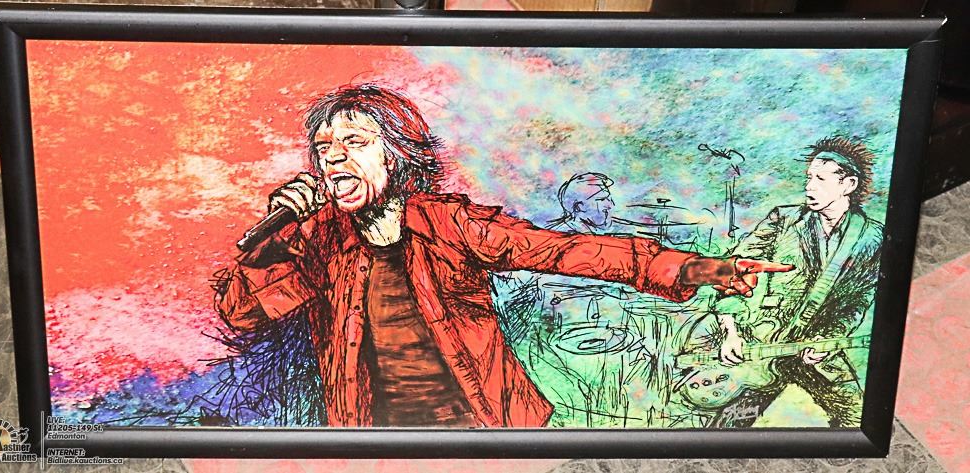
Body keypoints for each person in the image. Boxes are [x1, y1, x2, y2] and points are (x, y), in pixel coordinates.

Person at [214, 83, 792, 428]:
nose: (334, 159)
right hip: (374, 438)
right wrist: (272, 243)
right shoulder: (316, 240)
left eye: (355, 144)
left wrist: (690, 267)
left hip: (487, 426)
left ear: (397, 155)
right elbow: (243, 312)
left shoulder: (449, 223)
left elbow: (564, 251)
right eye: (324, 149)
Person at [706, 136, 883, 428]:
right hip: (765, 341)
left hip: (817, 347)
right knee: (729, 424)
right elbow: (732, 273)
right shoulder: (784, 220)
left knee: (857, 418)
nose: (810, 187)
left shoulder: (872, 238)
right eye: (809, 177)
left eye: (821, 179)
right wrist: (731, 331)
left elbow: (858, 299)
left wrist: (830, 338)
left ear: (848, 185)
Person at [546, 172, 616, 234]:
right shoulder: (561, 235)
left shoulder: (611, 228)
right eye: (602, 199)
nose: (610, 205)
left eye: (609, 199)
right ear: (580, 207)